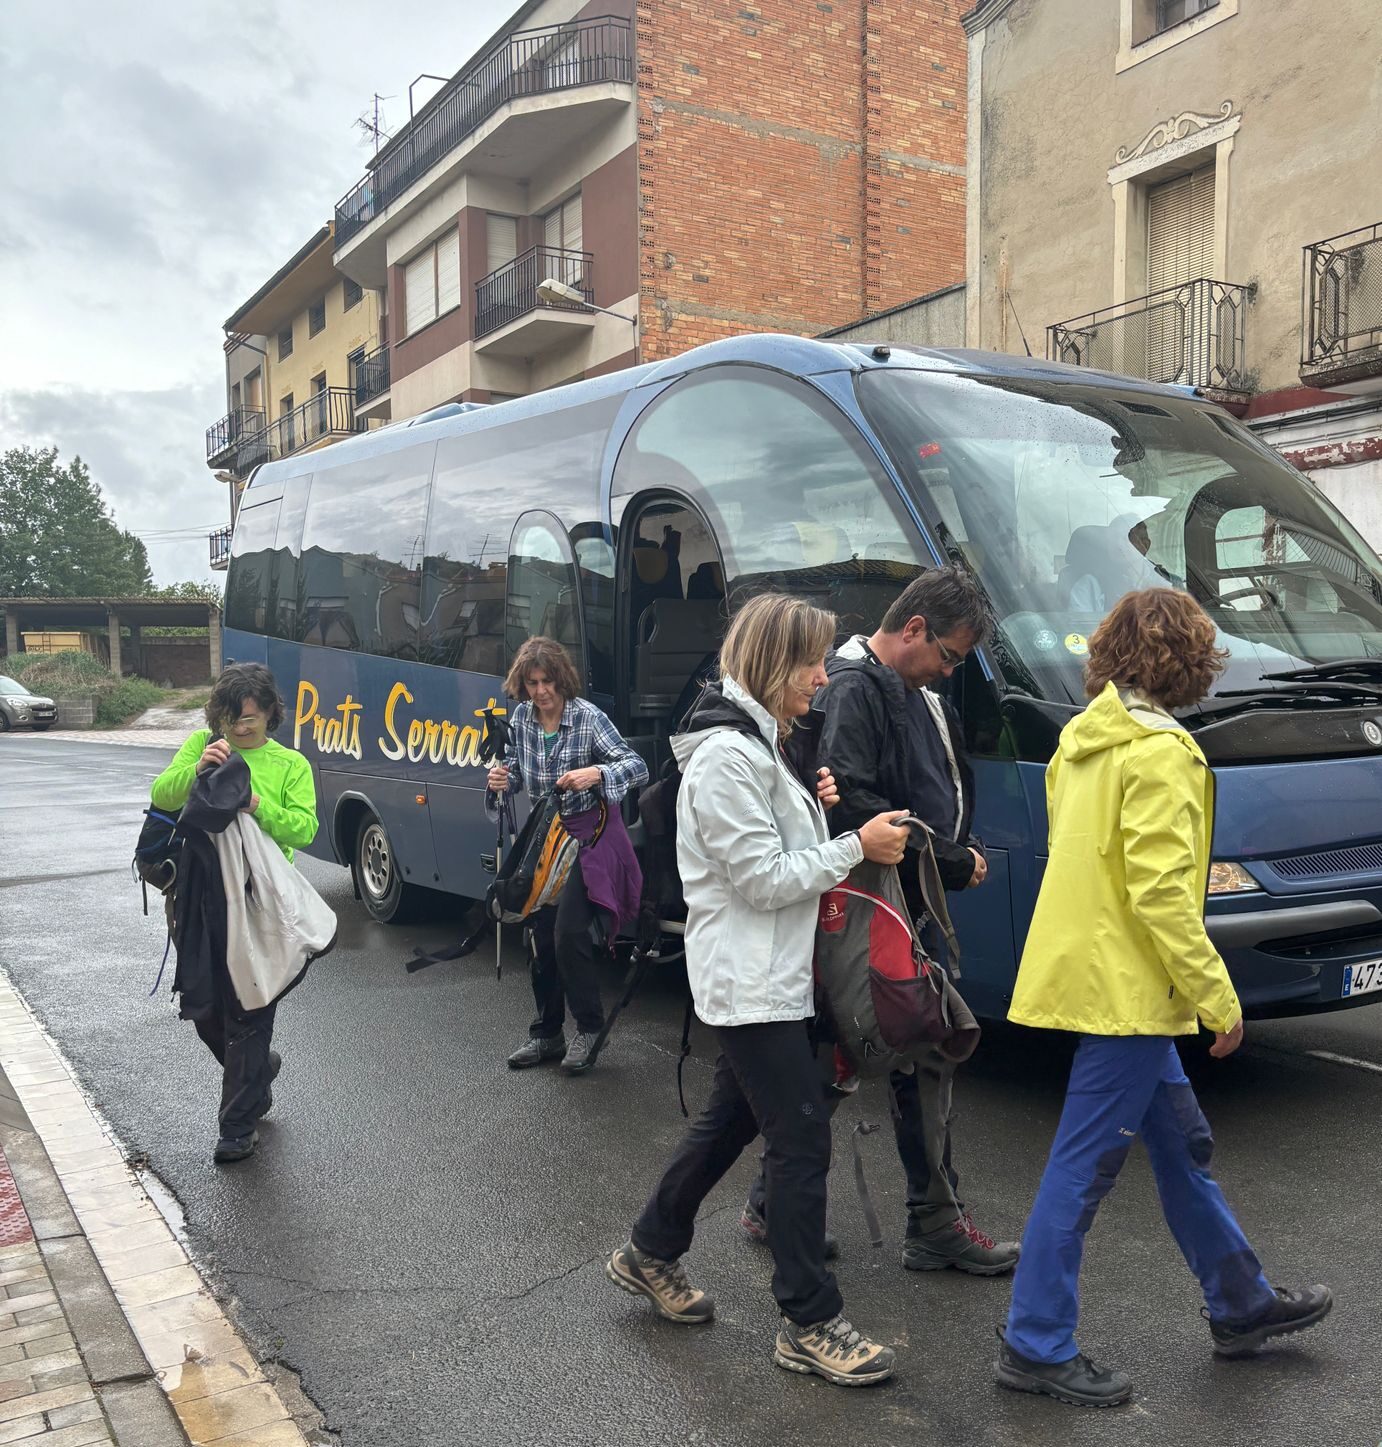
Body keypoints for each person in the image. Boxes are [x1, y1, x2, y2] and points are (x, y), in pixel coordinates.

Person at [996, 588, 1332, 1408]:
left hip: (1086, 973)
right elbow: (1161, 895)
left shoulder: (1082, 739)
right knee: (1083, 1165)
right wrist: (1218, 995)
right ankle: (1034, 1341)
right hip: (1130, 991)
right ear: (1188, 661)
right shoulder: (1163, 752)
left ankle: (1241, 1300)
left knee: (1182, 1144)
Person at [607, 593, 912, 1388]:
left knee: (729, 1122)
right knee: (801, 1137)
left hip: (768, 976)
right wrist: (853, 843)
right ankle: (809, 1320)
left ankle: (650, 1248)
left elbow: (773, 852)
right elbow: (761, 878)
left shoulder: (757, 744)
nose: (821, 676)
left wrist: (821, 814)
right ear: (774, 663)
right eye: (810, 662)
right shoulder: (726, 757)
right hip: (749, 983)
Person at [743, 567, 1020, 1275]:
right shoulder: (858, 687)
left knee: (855, 1050)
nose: (951, 672)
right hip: (879, 902)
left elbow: (924, 786)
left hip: (900, 898)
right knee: (912, 1046)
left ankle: (774, 1199)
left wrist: (953, 851)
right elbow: (853, 801)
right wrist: (952, 858)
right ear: (915, 629)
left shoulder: (903, 686)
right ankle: (929, 1219)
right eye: (950, 656)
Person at [151, 663, 318, 1164]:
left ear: (269, 712)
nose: (240, 728)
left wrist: (258, 805)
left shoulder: (291, 764)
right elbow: (162, 795)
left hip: (259, 902)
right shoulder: (203, 745)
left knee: (249, 1009)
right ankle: (257, 1069)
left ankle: (237, 1126)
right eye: (231, 719)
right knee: (204, 1008)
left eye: (249, 718)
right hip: (198, 898)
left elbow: (304, 831)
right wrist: (198, 767)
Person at [487, 636, 648, 1076]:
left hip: (592, 836)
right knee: (538, 936)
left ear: (562, 679)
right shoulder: (521, 718)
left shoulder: (588, 717)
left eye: (548, 682)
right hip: (547, 841)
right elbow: (517, 774)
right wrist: (501, 779)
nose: (541, 691)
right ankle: (547, 1033)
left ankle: (590, 1028)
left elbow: (636, 766)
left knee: (568, 930)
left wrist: (597, 772)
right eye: (532, 682)